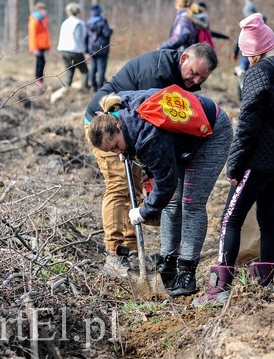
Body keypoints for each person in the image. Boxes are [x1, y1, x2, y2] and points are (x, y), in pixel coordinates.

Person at [192, 13, 274, 307]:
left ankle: (218, 289)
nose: (247, 61)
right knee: (267, 219)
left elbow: (248, 122)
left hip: (257, 159)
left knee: (230, 219)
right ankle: (263, 284)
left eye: (248, 55)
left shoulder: (259, 74)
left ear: (255, 52)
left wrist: (235, 164)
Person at [84, 43, 218, 278]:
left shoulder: (182, 76)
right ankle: (115, 255)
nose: (196, 81)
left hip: (127, 130)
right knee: (120, 186)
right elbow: (151, 130)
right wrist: (151, 169)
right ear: (184, 57)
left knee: (133, 188)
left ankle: (130, 252)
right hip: (106, 128)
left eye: (202, 78)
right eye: (194, 72)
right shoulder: (158, 75)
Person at [87, 89, 231, 298]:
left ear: (119, 127)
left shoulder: (148, 136)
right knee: (172, 204)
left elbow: (165, 185)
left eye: (116, 146)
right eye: (112, 152)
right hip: (180, 140)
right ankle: (168, 265)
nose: (118, 153)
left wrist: (144, 211)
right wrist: (137, 159)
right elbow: (154, 160)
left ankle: (187, 273)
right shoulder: (116, 111)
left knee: (190, 204)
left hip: (210, 132)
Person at [57, 3, 90, 90]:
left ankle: (66, 89)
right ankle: (84, 89)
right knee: (84, 71)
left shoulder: (65, 22)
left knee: (69, 70)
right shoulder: (79, 23)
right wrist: (85, 52)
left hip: (63, 50)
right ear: (78, 13)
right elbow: (80, 39)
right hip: (75, 50)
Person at [86, 3, 113, 92]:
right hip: (102, 49)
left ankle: (93, 85)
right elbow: (107, 33)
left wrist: (86, 50)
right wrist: (111, 30)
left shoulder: (88, 23)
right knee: (101, 68)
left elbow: (86, 37)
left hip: (91, 49)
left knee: (93, 67)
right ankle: (100, 87)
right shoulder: (102, 21)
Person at [28, 2, 51, 87]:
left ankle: (40, 80)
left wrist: (48, 46)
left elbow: (46, 34)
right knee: (40, 62)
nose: (45, 12)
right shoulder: (34, 20)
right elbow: (32, 35)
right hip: (37, 46)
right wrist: (34, 48)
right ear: (39, 10)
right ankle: (38, 79)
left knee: (42, 62)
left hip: (43, 45)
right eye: (43, 10)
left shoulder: (43, 20)